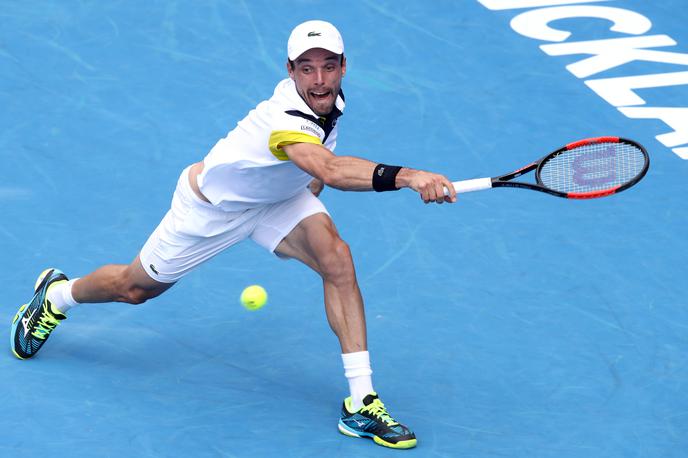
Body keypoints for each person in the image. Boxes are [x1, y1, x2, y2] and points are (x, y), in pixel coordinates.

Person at [11, 20, 456, 450]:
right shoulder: (285, 114)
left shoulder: (332, 100)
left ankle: (361, 401)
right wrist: (410, 176)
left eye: (328, 66)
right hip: (211, 211)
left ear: (344, 65)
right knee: (134, 288)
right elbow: (330, 170)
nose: (319, 80)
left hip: (278, 200)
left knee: (336, 257)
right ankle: (57, 296)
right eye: (307, 68)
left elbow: (317, 170)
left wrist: (303, 206)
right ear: (290, 71)